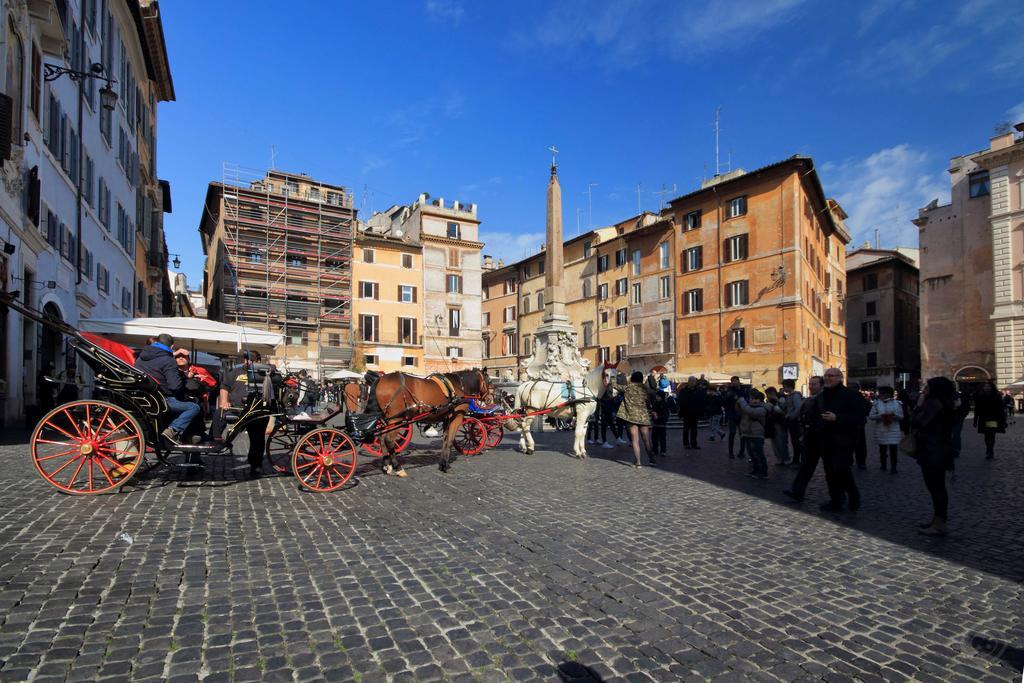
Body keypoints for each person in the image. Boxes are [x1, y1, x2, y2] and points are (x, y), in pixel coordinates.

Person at [810, 368, 863, 512]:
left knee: (841, 469)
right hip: (825, 439)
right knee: (829, 472)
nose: (827, 378)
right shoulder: (822, 396)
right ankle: (836, 500)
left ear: (840, 377)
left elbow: (859, 417)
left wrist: (838, 418)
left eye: (831, 376)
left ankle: (853, 496)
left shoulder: (851, 395)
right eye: (826, 376)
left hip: (844, 440)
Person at [134, 334, 200, 445]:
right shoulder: (168, 360)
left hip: (142, 396)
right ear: (172, 346)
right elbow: (175, 386)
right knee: (194, 407)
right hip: (161, 399)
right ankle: (173, 430)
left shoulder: (140, 357)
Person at [911, 377, 957, 536]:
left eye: (927, 387)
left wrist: (918, 406)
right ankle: (938, 520)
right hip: (941, 448)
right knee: (938, 487)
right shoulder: (947, 404)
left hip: (932, 450)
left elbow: (917, 422)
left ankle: (939, 523)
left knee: (935, 487)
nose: (925, 390)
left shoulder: (933, 404)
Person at [218, 352, 270, 477]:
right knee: (218, 418)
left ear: (258, 360)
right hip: (236, 409)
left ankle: (255, 464)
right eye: (246, 359)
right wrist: (224, 401)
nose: (248, 362)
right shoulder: (234, 371)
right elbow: (224, 387)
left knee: (257, 439)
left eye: (251, 360)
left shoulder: (264, 373)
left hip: (256, 410)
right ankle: (215, 441)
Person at [783, 375, 823, 503]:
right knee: (806, 466)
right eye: (810, 384)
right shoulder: (808, 399)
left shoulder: (824, 399)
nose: (811, 386)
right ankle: (797, 491)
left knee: (834, 469)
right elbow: (801, 413)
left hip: (824, 437)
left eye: (814, 384)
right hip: (810, 436)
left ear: (821, 385)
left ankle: (846, 497)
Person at [173, 347, 217, 443]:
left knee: (196, 434)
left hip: (198, 403)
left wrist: (201, 380)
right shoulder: (172, 371)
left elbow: (213, 383)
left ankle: (195, 451)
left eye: (184, 356)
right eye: (178, 357)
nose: (181, 358)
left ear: (188, 359)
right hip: (179, 401)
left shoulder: (198, 370)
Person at [617, 371, 655, 468]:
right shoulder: (645, 388)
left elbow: (614, 385)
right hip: (643, 417)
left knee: (635, 440)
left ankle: (638, 462)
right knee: (646, 440)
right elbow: (650, 398)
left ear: (632, 378)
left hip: (631, 417)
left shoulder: (627, 387)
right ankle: (652, 459)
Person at [868, 386, 904, 473]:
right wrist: (880, 416)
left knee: (893, 450)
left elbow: (901, 416)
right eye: (880, 393)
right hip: (881, 429)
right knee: (882, 450)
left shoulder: (897, 403)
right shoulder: (876, 404)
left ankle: (893, 467)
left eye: (883, 393)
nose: (881, 395)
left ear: (889, 394)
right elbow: (871, 416)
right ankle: (883, 465)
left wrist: (894, 416)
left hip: (893, 430)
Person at [737, 389, 768, 478]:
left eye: (755, 399)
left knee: (758, 453)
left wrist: (742, 402)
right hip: (748, 433)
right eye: (751, 398)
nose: (752, 400)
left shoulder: (762, 408)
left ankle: (763, 472)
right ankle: (756, 469)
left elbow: (751, 412)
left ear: (760, 400)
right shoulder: (748, 406)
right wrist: (738, 404)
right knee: (751, 454)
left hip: (757, 434)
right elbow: (740, 412)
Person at [973, 381, 1005, 460]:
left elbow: (1000, 409)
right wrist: (975, 420)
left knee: (991, 434)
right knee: (987, 435)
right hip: (984, 418)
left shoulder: (996, 396)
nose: (987, 388)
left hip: (992, 418)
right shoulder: (980, 396)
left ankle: (990, 451)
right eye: (985, 386)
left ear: (992, 387)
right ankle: (989, 450)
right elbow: (977, 409)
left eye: (988, 386)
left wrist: (1003, 420)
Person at [677, 376, 705, 450]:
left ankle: (694, 443)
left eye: (694, 381)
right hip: (686, 412)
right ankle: (686, 444)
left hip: (695, 412)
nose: (693, 382)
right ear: (688, 382)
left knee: (694, 429)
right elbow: (680, 401)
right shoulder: (683, 391)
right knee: (686, 429)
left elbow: (701, 400)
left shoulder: (698, 390)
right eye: (691, 381)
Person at [724, 376, 749, 458]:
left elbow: (747, 399)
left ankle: (742, 452)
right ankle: (730, 453)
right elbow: (725, 402)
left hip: (742, 414)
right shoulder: (729, 390)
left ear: (739, 381)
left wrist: (738, 398)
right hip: (732, 415)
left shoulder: (744, 389)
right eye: (733, 381)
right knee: (732, 433)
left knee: (742, 434)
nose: (734, 382)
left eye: (735, 381)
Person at [764, 387, 790, 465]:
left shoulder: (781, 399)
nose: (767, 396)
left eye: (768, 394)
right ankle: (779, 458)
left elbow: (783, 411)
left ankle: (785, 458)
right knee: (775, 442)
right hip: (773, 423)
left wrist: (776, 404)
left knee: (781, 442)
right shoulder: (770, 401)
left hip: (780, 423)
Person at [781, 379, 803, 467]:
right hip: (791, 420)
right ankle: (795, 460)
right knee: (794, 441)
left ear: (789, 386)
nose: (783, 389)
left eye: (784, 387)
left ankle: (797, 460)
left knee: (796, 441)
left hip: (795, 421)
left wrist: (792, 416)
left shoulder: (795, 396)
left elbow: (798, 408)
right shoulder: (789, 396)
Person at [849, 381, 871, 470]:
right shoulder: (862, 399)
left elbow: (867, 410)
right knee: (858, 444)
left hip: (856, 424)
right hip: (855, 424)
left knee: (856, 444)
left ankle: (857, 461)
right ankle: (860, 462)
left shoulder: (860, 399)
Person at [650, 391, 669, 458]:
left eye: (658, 396)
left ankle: (663, 451)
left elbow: (666, 415)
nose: (656, 397)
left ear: (661, 397)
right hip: (655, 424)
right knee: (654, 438)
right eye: (656, 396)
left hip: (662, 424)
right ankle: (655, 450)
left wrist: (658, 417)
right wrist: (652, 414)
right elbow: (652, 411)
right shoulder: (655, 403)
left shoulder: (665, 404)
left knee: (662, 439)